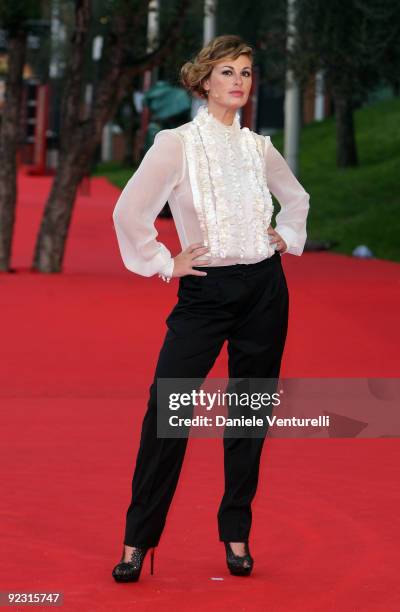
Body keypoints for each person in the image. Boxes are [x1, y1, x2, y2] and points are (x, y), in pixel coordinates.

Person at [111, 34, 310, 582]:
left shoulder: (259, 148)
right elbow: (130, 210)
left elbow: (296, 200)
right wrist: (161, 262)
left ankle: (236, 532)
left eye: (245, 72)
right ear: (203, 82)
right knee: (168, 410)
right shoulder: (175, 144)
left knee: (249, 414)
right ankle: (137, 541)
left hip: (265, 291)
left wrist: (286, 237)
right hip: (203, 293)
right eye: (227, 72)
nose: (238, 82)